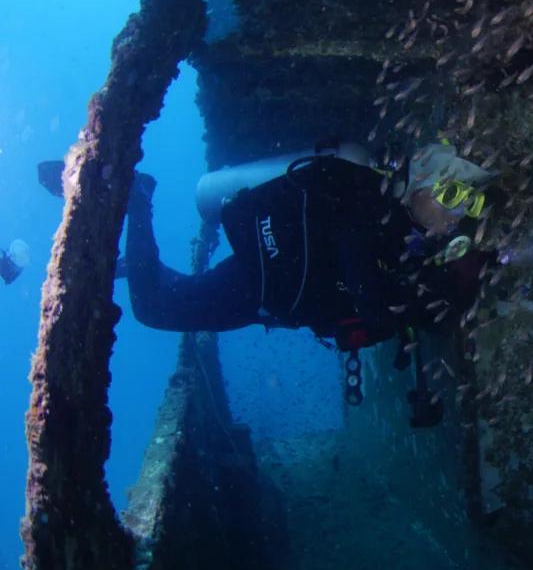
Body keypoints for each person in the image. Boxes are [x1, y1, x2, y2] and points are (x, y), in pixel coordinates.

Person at [41, 140, 496, 426]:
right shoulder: (368, 212)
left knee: (181, 294)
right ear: (418, 188)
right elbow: (374, 307)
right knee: (155, 308)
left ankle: (138, 262)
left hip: (266, 286)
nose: (457, 214)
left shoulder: (401, 229)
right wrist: (440, 293)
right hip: (258, 281)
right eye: (451, 196)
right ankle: (139, 199)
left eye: (469, 204)